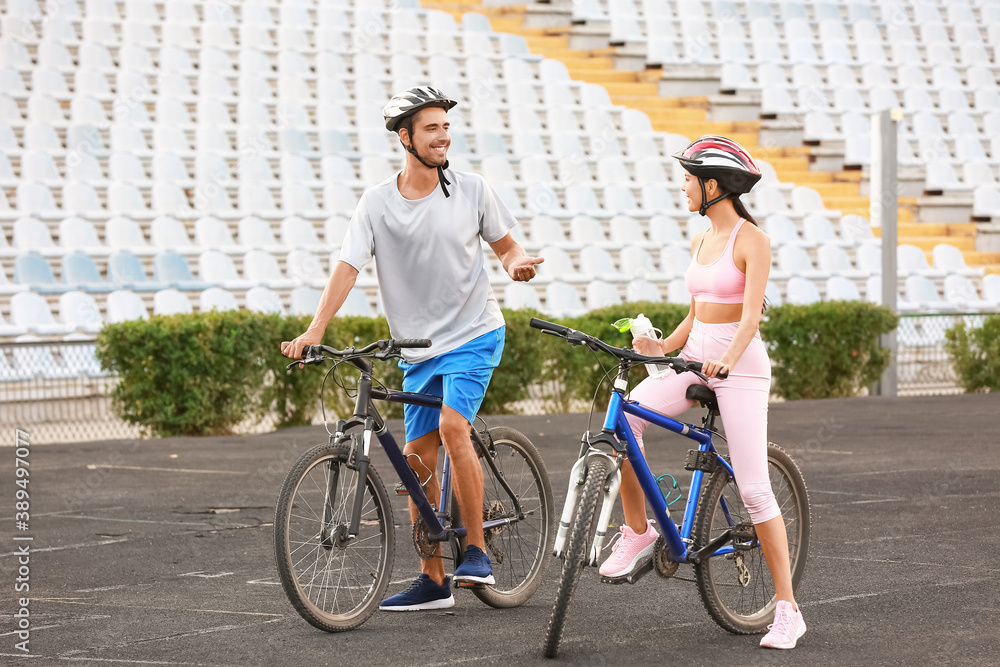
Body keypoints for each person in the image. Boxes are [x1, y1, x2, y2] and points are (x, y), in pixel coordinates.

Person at [281, 86, 544, 612]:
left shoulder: (472, 190)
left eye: (446, 127)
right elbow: (348, 266)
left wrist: (515, 263)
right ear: (405, 137)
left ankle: (476, 550)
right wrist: (315, 329)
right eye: (432, 128)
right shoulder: (377, 203)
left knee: (452, 428)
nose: (444, 136)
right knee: (416, 461)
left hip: (474, 335)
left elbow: (507, 244)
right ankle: (433, 581)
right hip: (418, 349)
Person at [597, 136, 806, 649]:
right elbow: (697, 311)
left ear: (713, 186)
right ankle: (638, 530)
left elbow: (751, 315)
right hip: (696, 360)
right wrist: (659, 345)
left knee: (755, 489)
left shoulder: (750, 239)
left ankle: (787, 610)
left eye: (689, 181)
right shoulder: (700, 240)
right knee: (630, 419)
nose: (684, 189)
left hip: (741, 366)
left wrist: (728, 360)